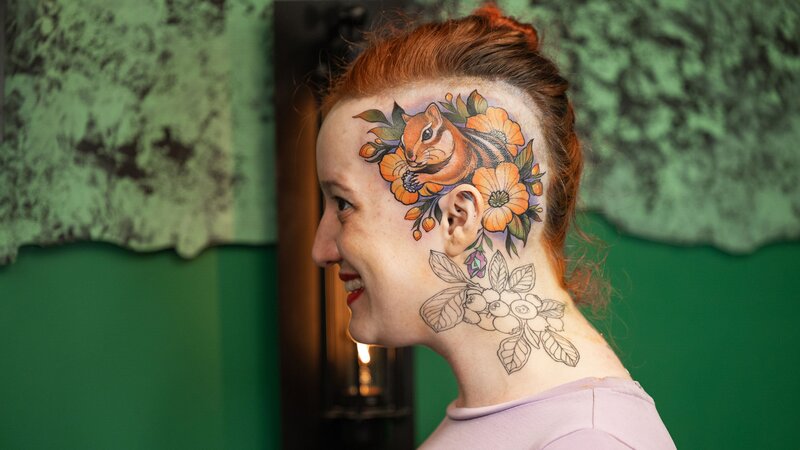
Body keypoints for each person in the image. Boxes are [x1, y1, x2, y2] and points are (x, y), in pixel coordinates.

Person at [312, 4, 676, 449]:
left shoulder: (589, 440)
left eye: (343, 204)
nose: (321, 249)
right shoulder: (511, 421)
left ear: (458, 217)